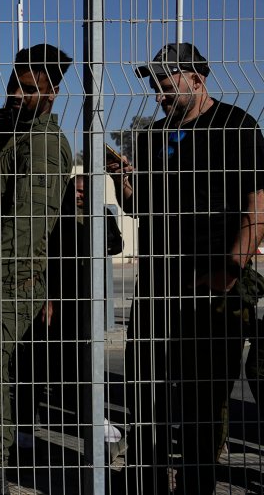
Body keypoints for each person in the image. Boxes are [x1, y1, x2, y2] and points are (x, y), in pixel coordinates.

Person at [107, 43, 264, 495]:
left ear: (197, 79)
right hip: (157, 285)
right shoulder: (155, 136)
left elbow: (258, 201)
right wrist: (122, 182)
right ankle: (147, 480)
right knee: (146, 392)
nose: (158, 95)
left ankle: (197, 485)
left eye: (166, 84)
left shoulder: (236, 126)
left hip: (210, 286)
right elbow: (143, 209)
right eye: (154, 86)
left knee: (202, 401)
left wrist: (231, 269)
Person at [0, 43, 74, 495]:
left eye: (28, 89)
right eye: (12, 87)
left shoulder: (43, 144)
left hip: (9, 282)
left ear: (52, 93)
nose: (16, 97)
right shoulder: (4, 136)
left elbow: (25, 228)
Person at [13, 176, 122, 445]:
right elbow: (45, 258)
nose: (80, 196)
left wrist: (102, 238)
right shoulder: (55, 216)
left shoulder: (102, 213)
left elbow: (116, 244)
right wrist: (48, 299)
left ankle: (92, 418)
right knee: (36, 363)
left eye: (85, 192)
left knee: (82, 362)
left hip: (84, 302)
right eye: (76, 190)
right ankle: (25, 425)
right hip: (53, 300)